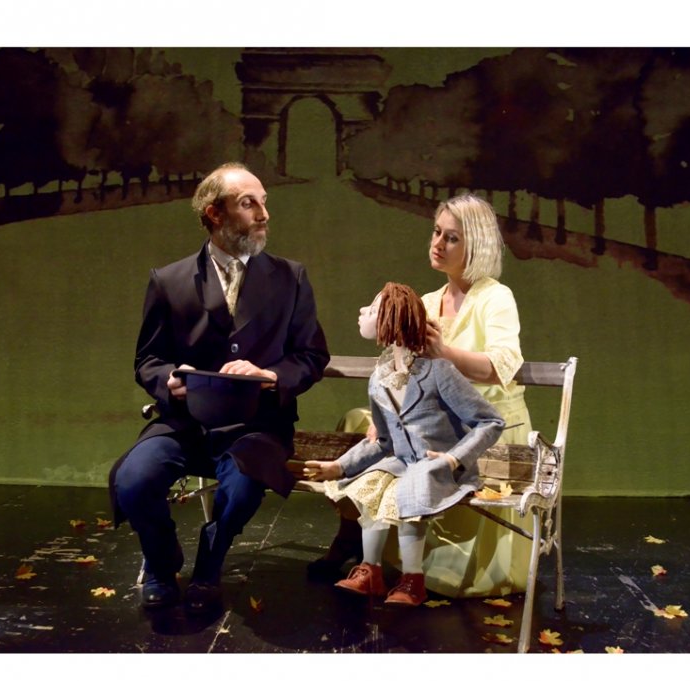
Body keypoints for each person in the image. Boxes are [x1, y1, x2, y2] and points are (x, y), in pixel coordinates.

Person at [109, 162, 329, 612]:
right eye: (249, 203)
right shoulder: (169, 281)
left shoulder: (290, 278)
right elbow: (148, 361)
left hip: (257, 425)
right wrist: (170, 380)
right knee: (132, 480)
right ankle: (162, 559)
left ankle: (212, 557)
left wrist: (269, 375)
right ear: (214, 213)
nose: (264, 214)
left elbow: (311, 355)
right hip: (185, 423)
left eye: (264, 202)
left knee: (244, 487)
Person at [310, 193, 533, 598]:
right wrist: (387, 415)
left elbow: (501, 366)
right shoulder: (429, 302)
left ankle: (388, 556)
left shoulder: (494, 297)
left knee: (394, 439)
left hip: (474, 421)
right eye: (436, 232)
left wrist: (445, 353)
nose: (437, 243)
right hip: (432, 418)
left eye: (452, 238)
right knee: (360, 420)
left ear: (476, 246)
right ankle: (356, 538)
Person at [303, 282, 504, 605]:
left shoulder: (437, 371)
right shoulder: (380, 377)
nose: (362, 312)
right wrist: (338, 466)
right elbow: (383, 440)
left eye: (372, 309)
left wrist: (453, 458)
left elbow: (490, 421)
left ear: (390, 321)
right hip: (402, 461)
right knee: (371, 484)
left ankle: (413, 579)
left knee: (413, 486)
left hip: (438, 466)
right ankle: (370, 570)